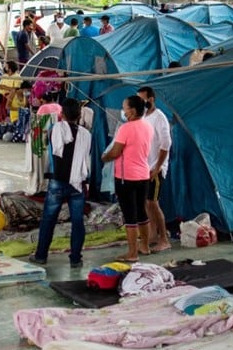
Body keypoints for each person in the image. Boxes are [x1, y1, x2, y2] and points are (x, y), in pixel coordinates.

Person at [29, 98, 92, 268]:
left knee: (49, 219)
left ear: (62, 114)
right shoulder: (86, 135)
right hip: (78, 182)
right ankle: (76, 259)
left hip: (58, 181)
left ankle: (41, 255)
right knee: (78, 222)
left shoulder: (54, 129)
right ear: (79, 115)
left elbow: (52, 144)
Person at [101, 95, 152, 262]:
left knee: (130, 216)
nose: (123, 111)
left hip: (126, 177)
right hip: (143, 175)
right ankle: (145, 246)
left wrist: (105, 157)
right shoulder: (147, 126)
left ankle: (132, 253)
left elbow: (116, 152)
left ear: (132, 110)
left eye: (124, 108)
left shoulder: (126, 129)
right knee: (142, 212)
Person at [137, 86, 172, 252]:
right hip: (143, 167)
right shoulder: (142, 117)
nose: (141, 102)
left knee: (153, 203)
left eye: (143, 99)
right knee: (146, 203)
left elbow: (166, 144)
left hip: (155, 168)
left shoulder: (160, 118)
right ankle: (152, 235)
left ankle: (164, 239)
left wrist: (158, 167)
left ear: (151, 99)